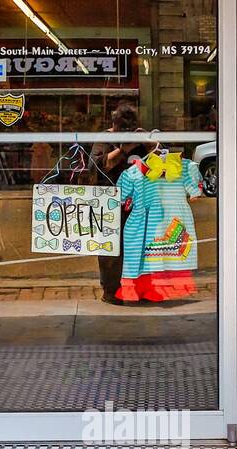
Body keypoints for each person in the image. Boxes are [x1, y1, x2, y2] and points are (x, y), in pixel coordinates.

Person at [89, 102, 147, 304]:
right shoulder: (105, 139)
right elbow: (95, 166)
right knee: (111, 249)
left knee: (142, 247)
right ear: (114, 125)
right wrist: (122, 150)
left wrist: (147, 139)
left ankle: (142, 287)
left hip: (138, 201)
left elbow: (162, 155)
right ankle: (111, 291)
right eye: (123, 129)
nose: (125, 132)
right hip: (111, 200)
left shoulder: (140, 138)